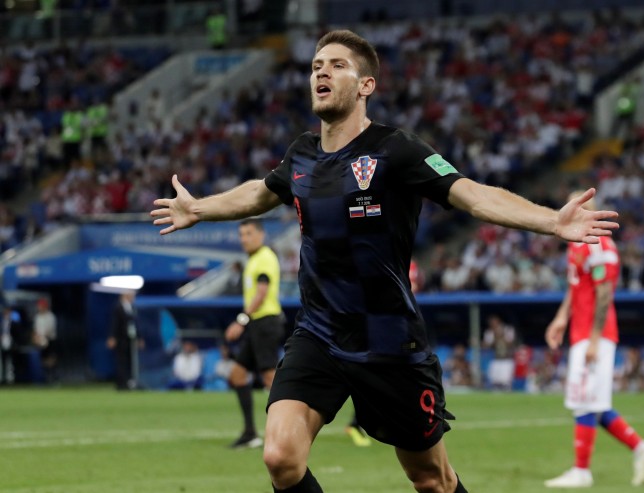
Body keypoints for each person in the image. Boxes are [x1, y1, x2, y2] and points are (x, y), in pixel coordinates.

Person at [151, 29, 618, 493]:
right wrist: (198, 209)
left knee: (431, 479)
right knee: (280, 458)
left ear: (366, 85)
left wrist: (550, 220)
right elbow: (260, 193)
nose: (321, 73)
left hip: (388, 340)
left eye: (337, 65)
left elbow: (471, 194)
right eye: (316, 66)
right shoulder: (302, 155)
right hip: (319, 333)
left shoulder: (397, 149)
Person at [544, 192, 644, 488]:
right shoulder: (577, 243)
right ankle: (641, 448)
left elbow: (605, 292)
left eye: (579, 207)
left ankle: (581, 472)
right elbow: (575, 286)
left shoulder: (599, 244)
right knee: (593, 402)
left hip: (594, 335)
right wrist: (561, 318)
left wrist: (595, 339)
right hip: (581, 332)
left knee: (584, 403)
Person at [224, 218, 285, 449]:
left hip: (266, 323)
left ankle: (285, 434)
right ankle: (250, 433)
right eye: (241, 235)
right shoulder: (253, 259)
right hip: (257, 324)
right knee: (238, 375)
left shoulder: (265, 257)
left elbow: (261, 293)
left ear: (261, 235)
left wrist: (241, 320)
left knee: (270, 379)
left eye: (248, 234)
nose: (244, 239)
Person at [106, 290, 143, 390]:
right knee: (121, 361)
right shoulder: (118, 307)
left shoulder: (132, 307)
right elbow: (114, 323)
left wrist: (139, 337)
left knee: (130, 361)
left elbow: (135, 324)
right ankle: (121, 383)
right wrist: (112, 337)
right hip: (120, 339)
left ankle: (129, 381)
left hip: (130, 339)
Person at [32, 298, 58, 383]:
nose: (39, 308)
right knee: (43, 360)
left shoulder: (50, 316)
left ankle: (53, 378)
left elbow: (50, 330)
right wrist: (36, 337)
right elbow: (35, 329)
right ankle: (45, 378)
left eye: (40, 306)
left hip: (50, 340)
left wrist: (42, 336)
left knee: (51, 359)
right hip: (40, 340)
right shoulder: (37, 317)